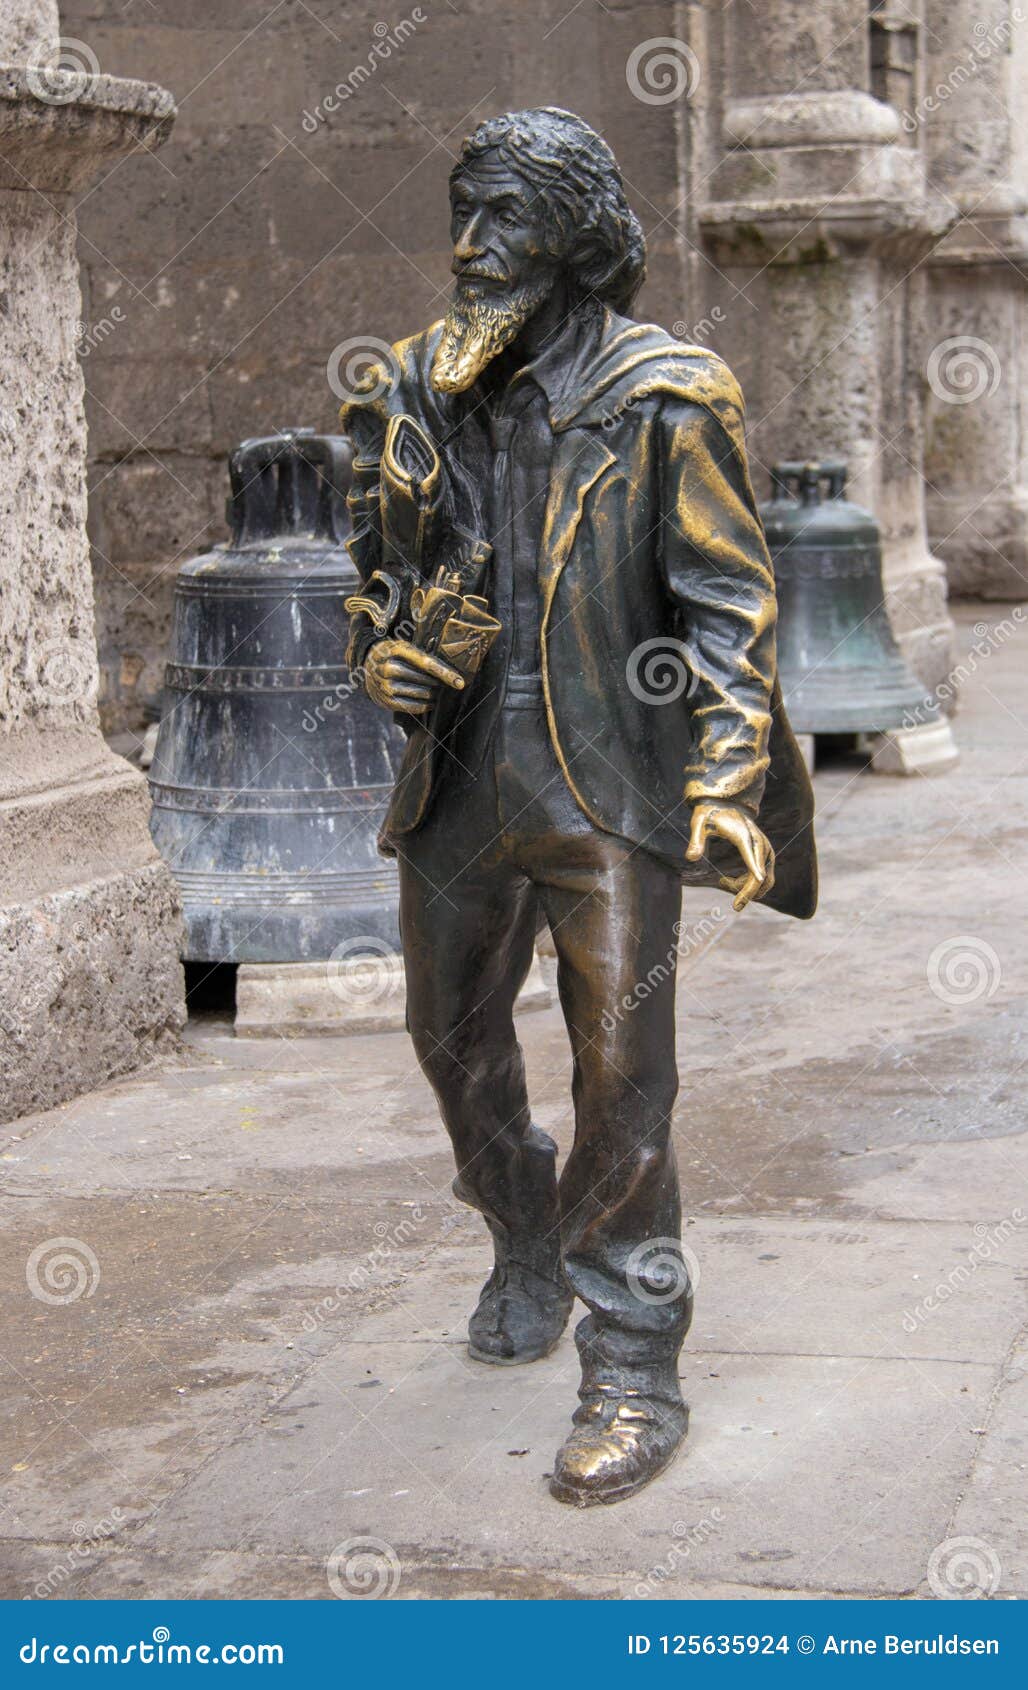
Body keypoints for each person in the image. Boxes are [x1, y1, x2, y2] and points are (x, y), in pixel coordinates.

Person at [341, 107, 816, 1507]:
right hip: (460, 785)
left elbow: (731, 609)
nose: (469, 245)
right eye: (462, 211)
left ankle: (633, 1352)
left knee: (626, 1076)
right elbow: (373, 566)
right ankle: (521, 1227)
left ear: (576, 232)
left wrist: (728, 782)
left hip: (610, 790)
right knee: (449, 1043)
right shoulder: (416, 385)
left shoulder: (670, 394)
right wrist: (383, 646)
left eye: (502, 216)